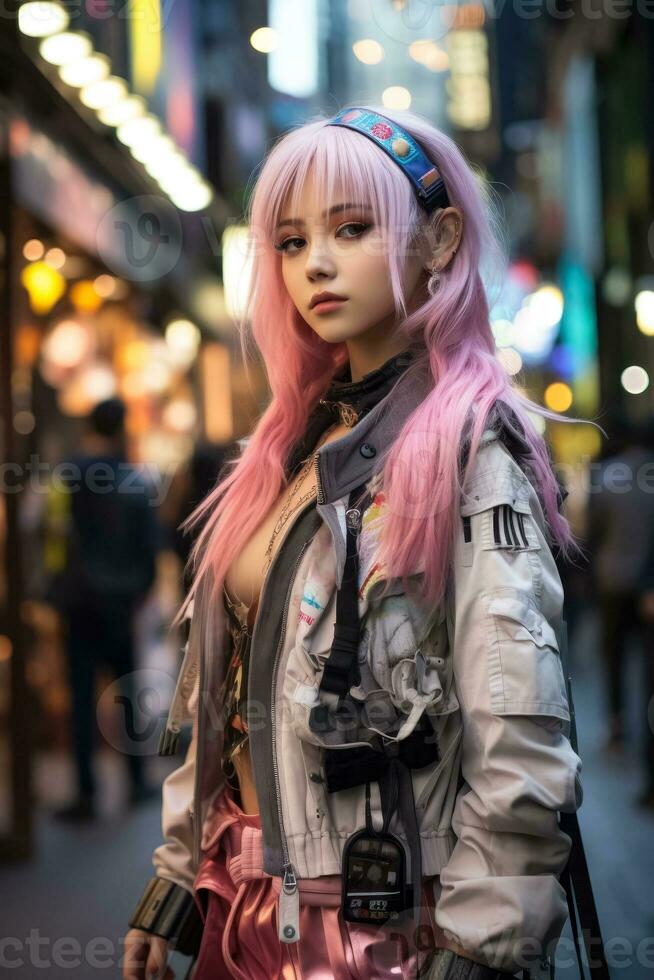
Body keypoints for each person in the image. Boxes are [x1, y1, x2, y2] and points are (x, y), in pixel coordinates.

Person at [124, 106, 586, 980]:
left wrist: (482, 943)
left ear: (441, 239)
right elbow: (224, 687)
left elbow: (518, 722)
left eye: (353, 228)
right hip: (246, 900)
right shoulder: (292, 447)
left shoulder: (474, 450)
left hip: (384, 929)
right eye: (292, 242)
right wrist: (181, 874)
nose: (317, 265)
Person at [45, 397, 160, 820]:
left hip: (78, 600)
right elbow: (149, 544)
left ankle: (86, 792)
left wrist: (57, 587)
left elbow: (53, 534)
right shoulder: (135, 479)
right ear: (121, 428)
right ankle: (136, 781)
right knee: (127, 691)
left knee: (79, 696)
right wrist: (141, 591)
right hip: (120, 601)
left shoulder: (68, 474)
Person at [586, 415, 654, 756]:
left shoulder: (606, 476)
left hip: (612, 578)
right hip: (648, 586)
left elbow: (591, 531)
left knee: (614, 657)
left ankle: (617, 727)